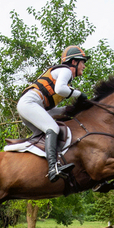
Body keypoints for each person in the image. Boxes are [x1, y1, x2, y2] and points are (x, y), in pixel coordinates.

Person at [17, 45, 90, 183]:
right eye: (83, 62)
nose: (84, 67)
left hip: (30, 106)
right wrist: (79, 94)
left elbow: (49, 112)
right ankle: (53, 168)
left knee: (45, 136)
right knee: (53, 128)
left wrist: (68, 110)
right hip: (30, 103)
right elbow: (60, 89)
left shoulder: (63, 75)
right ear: (74, 62)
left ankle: (39, 167)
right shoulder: (66, 70)